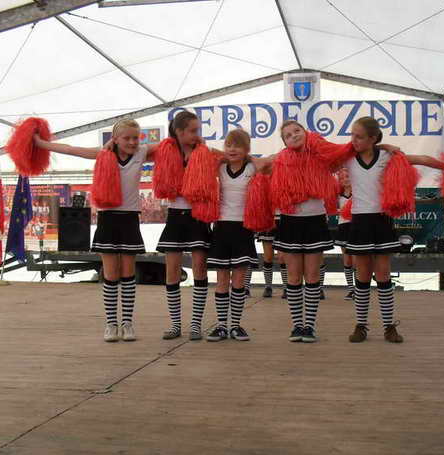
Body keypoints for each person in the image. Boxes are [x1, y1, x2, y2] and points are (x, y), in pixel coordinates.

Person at [34, 119, 157, 342]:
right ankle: (111, 324)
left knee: (128, 273)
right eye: (127, 138)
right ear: (115, 139)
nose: (132, 142)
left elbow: (172, 146)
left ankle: (127, 323)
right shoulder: (103, 154)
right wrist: (41, 143)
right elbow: (71, 149)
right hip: (107, 219)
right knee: (110, 274)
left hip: (130, 219)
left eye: (135, 137)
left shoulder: (142, 152)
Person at [344, 116, 444, 343]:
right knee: (362, 276)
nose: (354, 140)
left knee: (383, 274)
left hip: (382, 220)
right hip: (359, 221)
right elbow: (319, 159)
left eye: (359, 137)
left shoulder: (387, 157)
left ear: (373, 138)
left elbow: (421, 159)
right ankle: (360, 325)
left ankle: (389, 326)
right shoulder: (348, 158)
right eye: (352, 135)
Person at [270, 120, 354, 343]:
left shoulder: (321, 156)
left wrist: (383, 147)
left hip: (315, 221)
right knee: (294, 276)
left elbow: (347, 153)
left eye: (297, 131)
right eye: (288, 135)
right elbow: (256, 164)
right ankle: (297, 325)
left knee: (313, 275)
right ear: (284, 143)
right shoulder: (279, 160)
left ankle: (310, 326)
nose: (294, 136)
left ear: (306, 132)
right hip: (290, 222)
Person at [206, 129, 272, 341]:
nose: (232, 149)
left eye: (238, 145)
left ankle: (235, 325)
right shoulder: (219, 167)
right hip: (222, 227)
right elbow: (205, 150)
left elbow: (273, 161)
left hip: (244, 228)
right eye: (228, 145)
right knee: (222, 278)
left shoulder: (253, 167)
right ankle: (221, 325)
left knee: (239, 279)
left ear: (247, 149)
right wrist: (223, 155)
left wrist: (252, 158)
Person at [155, 111, 212, 341]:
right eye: (192, 130)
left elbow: (235, 157)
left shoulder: (205, 151)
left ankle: (196, 325)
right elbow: (131, 150)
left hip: (198, 215)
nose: (196, 134)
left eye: (198, 130)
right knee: (172, 271)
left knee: (200, 268)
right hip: (175, 216)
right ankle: (175, 324)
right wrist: (110, 145)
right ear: (179, 131)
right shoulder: (163, 149)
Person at [334, 168, 355, 300]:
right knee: (347, 260)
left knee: (357, 259)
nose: (345, 180)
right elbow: (331, 207)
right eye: (342, 178)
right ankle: (351, 289)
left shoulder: (358, 192)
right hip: (343, 227)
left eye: (347, 177)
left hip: (356, 226)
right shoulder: (338, 194)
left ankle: (360, 288)